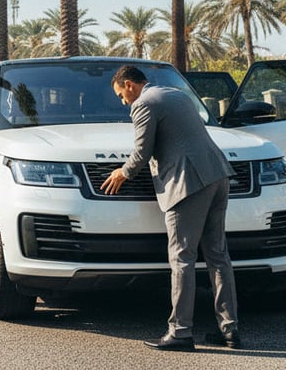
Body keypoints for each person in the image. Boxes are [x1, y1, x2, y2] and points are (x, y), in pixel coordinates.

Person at [100, 64, 240, 352]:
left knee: (182, 259)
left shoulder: (144, 103)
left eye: (120, 95)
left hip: (187, 184)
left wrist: (122, 173)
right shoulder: (175, 94)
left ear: (129, 84)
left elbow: (142, 152)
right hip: (217, 175)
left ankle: (180, 332)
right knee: (218, 257)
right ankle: (230, 330)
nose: (123, 102)